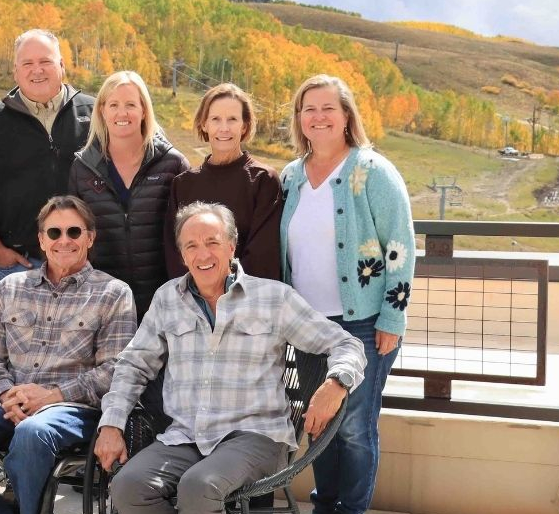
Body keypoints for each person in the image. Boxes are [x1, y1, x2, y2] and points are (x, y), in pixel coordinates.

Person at [96, 201, 367, 514]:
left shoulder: (273, 298)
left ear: (231, 246)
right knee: (128, 487)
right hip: (186, 437)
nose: (203, 254)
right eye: (192, 246)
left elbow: (346, 344)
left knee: (198, 487)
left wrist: (337, 383)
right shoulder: (167, 299)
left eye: (213, 242)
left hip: (256, 437)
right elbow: (133, 364)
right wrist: (112, 425)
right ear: (183, 255)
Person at [0, 196, 137, 514]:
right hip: (6, 403)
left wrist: (51, 396)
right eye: (54, 233)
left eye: (74, 232)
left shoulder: (114, 293)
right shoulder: (10, 287)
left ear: (90, 237)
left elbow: (114, 370)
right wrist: (5, 394)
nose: (64, 240)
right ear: (41, 240)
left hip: (72, 409)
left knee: (31, 432)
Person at [280, 74, 415, 514]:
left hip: (361, 322)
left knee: (355, 425)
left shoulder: (371, 171)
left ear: (346, 116)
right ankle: (326, 505)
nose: (318, 117)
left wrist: (392, 320)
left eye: (327, 109)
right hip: (307, 326)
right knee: (319, 423)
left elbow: (401, 246)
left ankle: (349, 509)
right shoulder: (291, 176)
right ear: (299, 119)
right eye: (309, 109)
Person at [0, 29, 96, 287]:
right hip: (20, 268)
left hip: (88, 266)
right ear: (16, 71)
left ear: (62, 66)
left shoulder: (95, 112)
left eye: (45, 62)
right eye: (28, 64)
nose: (37, 70)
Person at [69, 71, 189, 317]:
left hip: (166, 301)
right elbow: (75, 236)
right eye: (113, 105)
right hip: (104, 303)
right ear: (102, 110)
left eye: (131, 105)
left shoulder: (172, 164)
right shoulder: (83, 167)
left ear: (144, 110)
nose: (122, 113)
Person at [168, 83, 284, 280]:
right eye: (215, 119)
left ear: (244, 125)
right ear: (204, 124)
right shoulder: (183, 184)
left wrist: (224, 293)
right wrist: (195, 296)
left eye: (232, 119)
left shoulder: (263, 180)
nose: (224, 128)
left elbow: (262, 255)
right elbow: (175, 252)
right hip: (193, 301)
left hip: (246, 297)